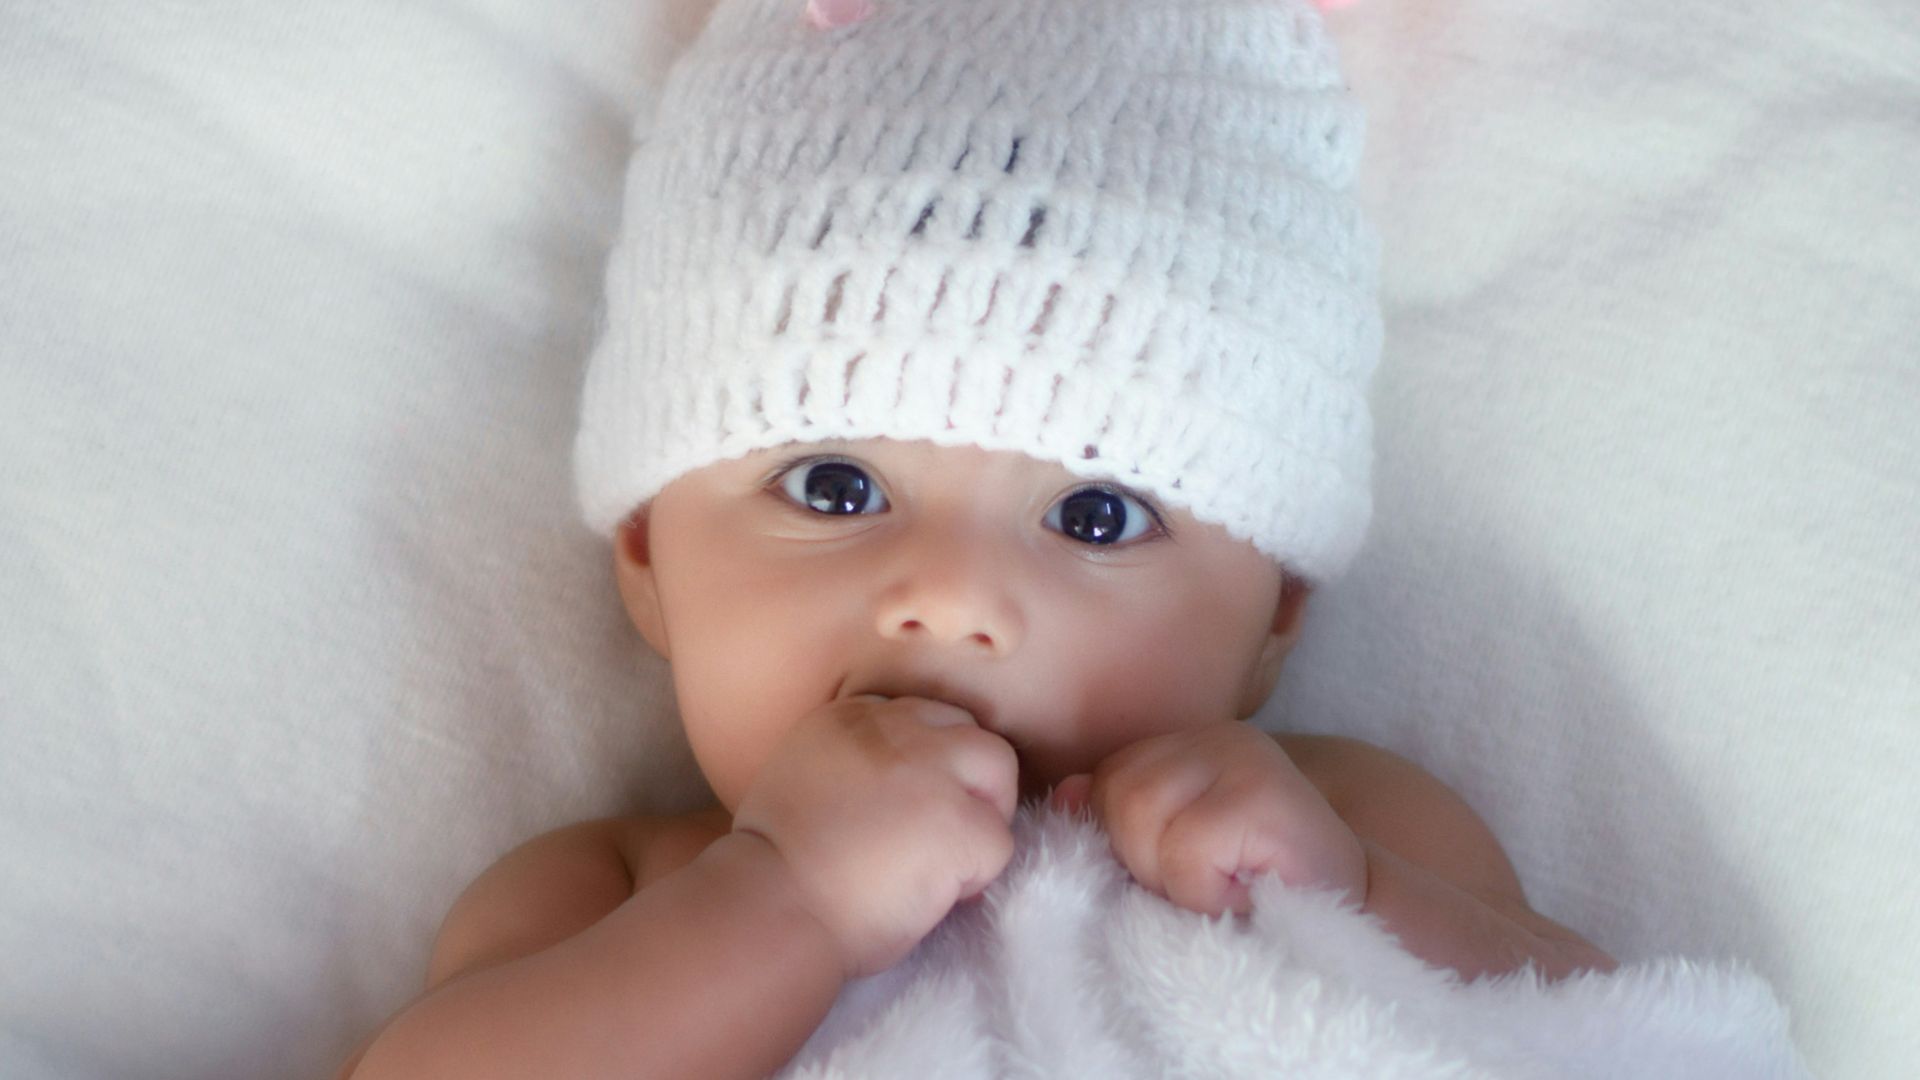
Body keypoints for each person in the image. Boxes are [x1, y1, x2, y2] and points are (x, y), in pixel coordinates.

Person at [345, 0, 1613, 1075]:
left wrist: (1349, 900)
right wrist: (785, 902)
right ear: (646, 559)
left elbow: (1608, 1035)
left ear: (1274, 616)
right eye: (834, 486)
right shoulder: (626, 890)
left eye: (1097, 515)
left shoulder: (1348, 820)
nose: (951, 596)